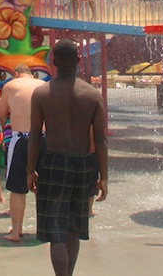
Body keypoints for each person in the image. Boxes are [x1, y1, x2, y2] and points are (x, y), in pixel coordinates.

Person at [28, 39, 108, 276]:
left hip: (53, 162)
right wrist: (104, 177)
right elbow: (101, 140)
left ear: (53, 62)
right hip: (84, 163)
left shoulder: (42, 93)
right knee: (74, 229)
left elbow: (34, 135)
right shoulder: (93, 96)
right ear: (78, 61)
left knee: (56, 231)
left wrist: (29, 170)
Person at [0, 63, 45, 241]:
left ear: (16, 74)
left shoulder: (10, 86)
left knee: (17, 188)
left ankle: (16, 231)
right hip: (43, 136)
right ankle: (44, 229)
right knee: (43, 186)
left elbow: (1, 113)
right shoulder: (44, 86)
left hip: (20, 138)